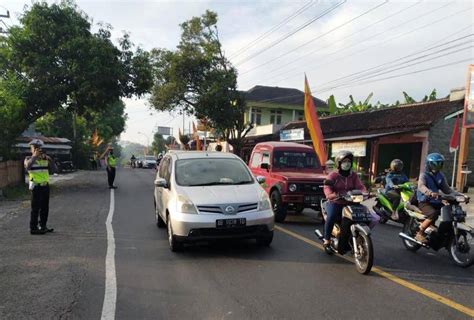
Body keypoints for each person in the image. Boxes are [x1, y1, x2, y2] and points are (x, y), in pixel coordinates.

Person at [322, 151, 367, 253]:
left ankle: (357, 238)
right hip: (336, 202)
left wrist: (364, 192)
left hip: (351, 202)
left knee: (365, 216)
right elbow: (327, 188)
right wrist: (333, 195)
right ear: (339, 163)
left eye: (349, 161)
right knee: (331, 216)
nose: (347, 163)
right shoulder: (333, 175)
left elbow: (360, 186)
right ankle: (327, 240)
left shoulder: (353, 175)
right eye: (344, 161)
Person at [415, 153, 459, 243]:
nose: (437, 166)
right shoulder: (424, 175)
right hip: (424, 201)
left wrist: (461, 195)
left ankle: (443, 233)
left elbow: (447, 189)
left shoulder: (440, 175)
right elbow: (421, 186)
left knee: (450, 210)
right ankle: (419, 233)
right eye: (435, 164)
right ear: (429, 164)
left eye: (440, 163)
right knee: (433, 214)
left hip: (436, 200)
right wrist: (430, 193)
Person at [24, 139, 57, 235]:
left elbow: (55, 170)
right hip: (36, 187)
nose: (38, 150)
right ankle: (33, 228)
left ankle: (43, 226)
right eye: (35, 148)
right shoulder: (28, 158)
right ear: (32, 149)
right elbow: (27, 167)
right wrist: (34, 157)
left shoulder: (45, 159)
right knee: (35, 208)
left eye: (39, 148)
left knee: (45, 208)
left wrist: (50, 159)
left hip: (45, 186)